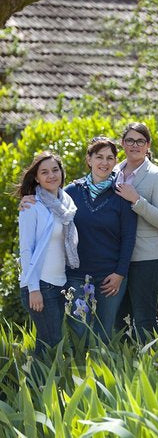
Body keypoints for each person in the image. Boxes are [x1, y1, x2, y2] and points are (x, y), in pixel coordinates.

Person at [63, 137, 137, 342]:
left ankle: (102, 374)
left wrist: (120, 273)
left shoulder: (122, 194)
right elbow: (49, 207)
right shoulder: (71, 192)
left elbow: (129, 238)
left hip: (110, 277)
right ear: (89, 159)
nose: (104, 162)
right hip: (76, 275)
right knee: (79, 333)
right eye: (99, 157)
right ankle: (79, 372)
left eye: (110, 158)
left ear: (115, 162)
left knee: (103, 334)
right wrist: (29, 197)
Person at [114, 122, 158, 342]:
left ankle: (153, 367)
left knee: (144, 317)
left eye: (140, 141)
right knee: (120, 318)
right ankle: (125, 367)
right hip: (118, 258)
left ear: (147, 145)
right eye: (130, 140)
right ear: (122, 143)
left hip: (147, 257)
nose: (134, 145)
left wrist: (136, 200)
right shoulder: (114, 171)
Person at [17, 151, 79, 355]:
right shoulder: (31, 206)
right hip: (40, 284)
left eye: (55, 170)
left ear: (61, 172)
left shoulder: (66, 203)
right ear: (36, 178)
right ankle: (42, 386)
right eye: (44, 172)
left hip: (59, 282)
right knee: (50, 344)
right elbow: (26, 250)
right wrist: (33, 288)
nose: (51, 175)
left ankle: (44, 385)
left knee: (49, 342)